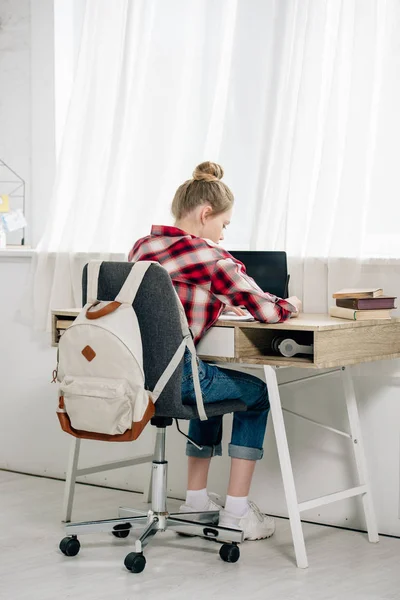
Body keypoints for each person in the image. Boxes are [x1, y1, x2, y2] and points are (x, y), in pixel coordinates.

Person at [129, 161, 302, 540]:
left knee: (210, 384)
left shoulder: (143, 247)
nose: (223, 235)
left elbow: (165, 304)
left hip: (137, 376)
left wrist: (220, 303)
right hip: (179, 378)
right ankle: (237, 514)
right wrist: (292, 304)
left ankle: (195, 504)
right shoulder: (212, 258)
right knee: (255, 394)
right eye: (224, 225)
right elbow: (268, 310)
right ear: (206, 214)